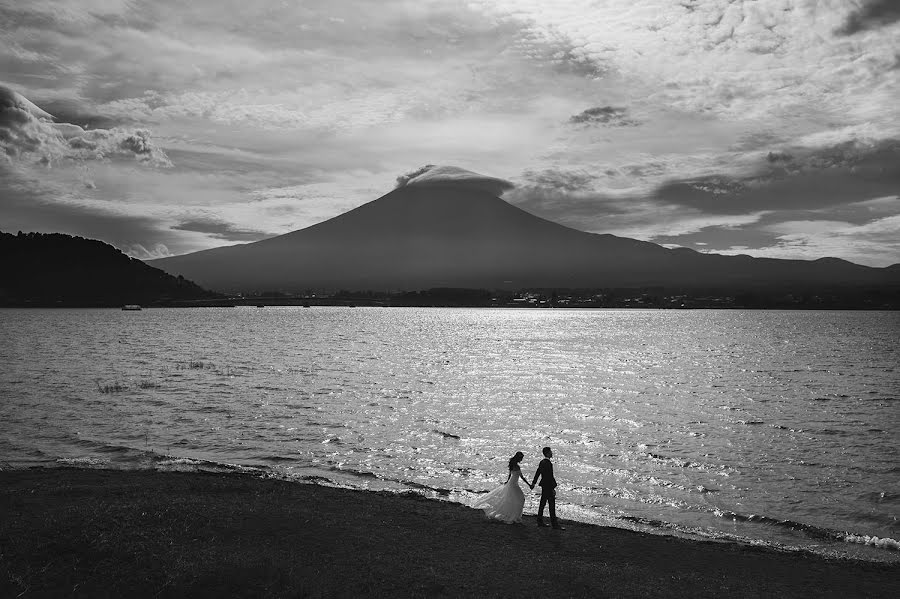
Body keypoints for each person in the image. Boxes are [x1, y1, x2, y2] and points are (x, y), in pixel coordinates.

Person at [472, 451, 530, 524]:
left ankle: (515, 516)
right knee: (520, 499)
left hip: (513, 483)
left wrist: (508, 481)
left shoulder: (513, 465)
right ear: (519, 458)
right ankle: (515, 516)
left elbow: (511, 475)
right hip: (513, 484)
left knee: (516, 499)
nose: (522, 459)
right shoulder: (516, 466)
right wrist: (529, 484)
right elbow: (521, 477)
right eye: (521, 458)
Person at [531, 446, 564, 530]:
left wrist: (534, 483)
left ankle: (540, 521)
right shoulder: (548, 463)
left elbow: (538, 472)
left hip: (544, 485)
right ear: (547, 453)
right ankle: (554, 524)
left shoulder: (542, 462)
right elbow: (550, 476)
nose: (551, 453)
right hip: (548, 486)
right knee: (551, 505)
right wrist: (553, 488)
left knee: (542, 503)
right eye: (550, 452)